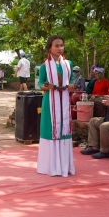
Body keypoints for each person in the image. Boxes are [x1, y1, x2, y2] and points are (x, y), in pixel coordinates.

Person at [37, 35, 75, 177]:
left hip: (64, 101)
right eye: (56, 46)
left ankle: (64, 166)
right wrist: (48, 87)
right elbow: (41, 84)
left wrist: (71, 86)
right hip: (50, 103)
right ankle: (50, 166)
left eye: (61, 45)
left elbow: (70, 80)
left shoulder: (68, 64)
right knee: (51, 129)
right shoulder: (44, 66)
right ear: (49, 48)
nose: (60, 48)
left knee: (64, 129)